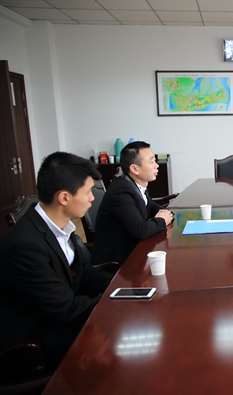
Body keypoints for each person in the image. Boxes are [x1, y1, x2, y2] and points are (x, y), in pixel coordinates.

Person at [0, 152, 113, 369]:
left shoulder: (59, 225)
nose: (92, 198)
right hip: (33, 340)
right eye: (88, 192)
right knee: (118, 337)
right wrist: (113, 301)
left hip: (56, 316)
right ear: (64, 198)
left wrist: (122, 285)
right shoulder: (24, 245)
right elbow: (65, 309)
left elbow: (84, 271)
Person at [91, 141, 174, 265]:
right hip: (118, 263)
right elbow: (141, 230)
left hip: (134, 251)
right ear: (134, 169)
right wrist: (162, 220)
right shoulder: (121, 191)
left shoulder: (135, 185)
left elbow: (151, 207)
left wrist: (165, 214)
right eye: (151, 162)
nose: (156, 166)